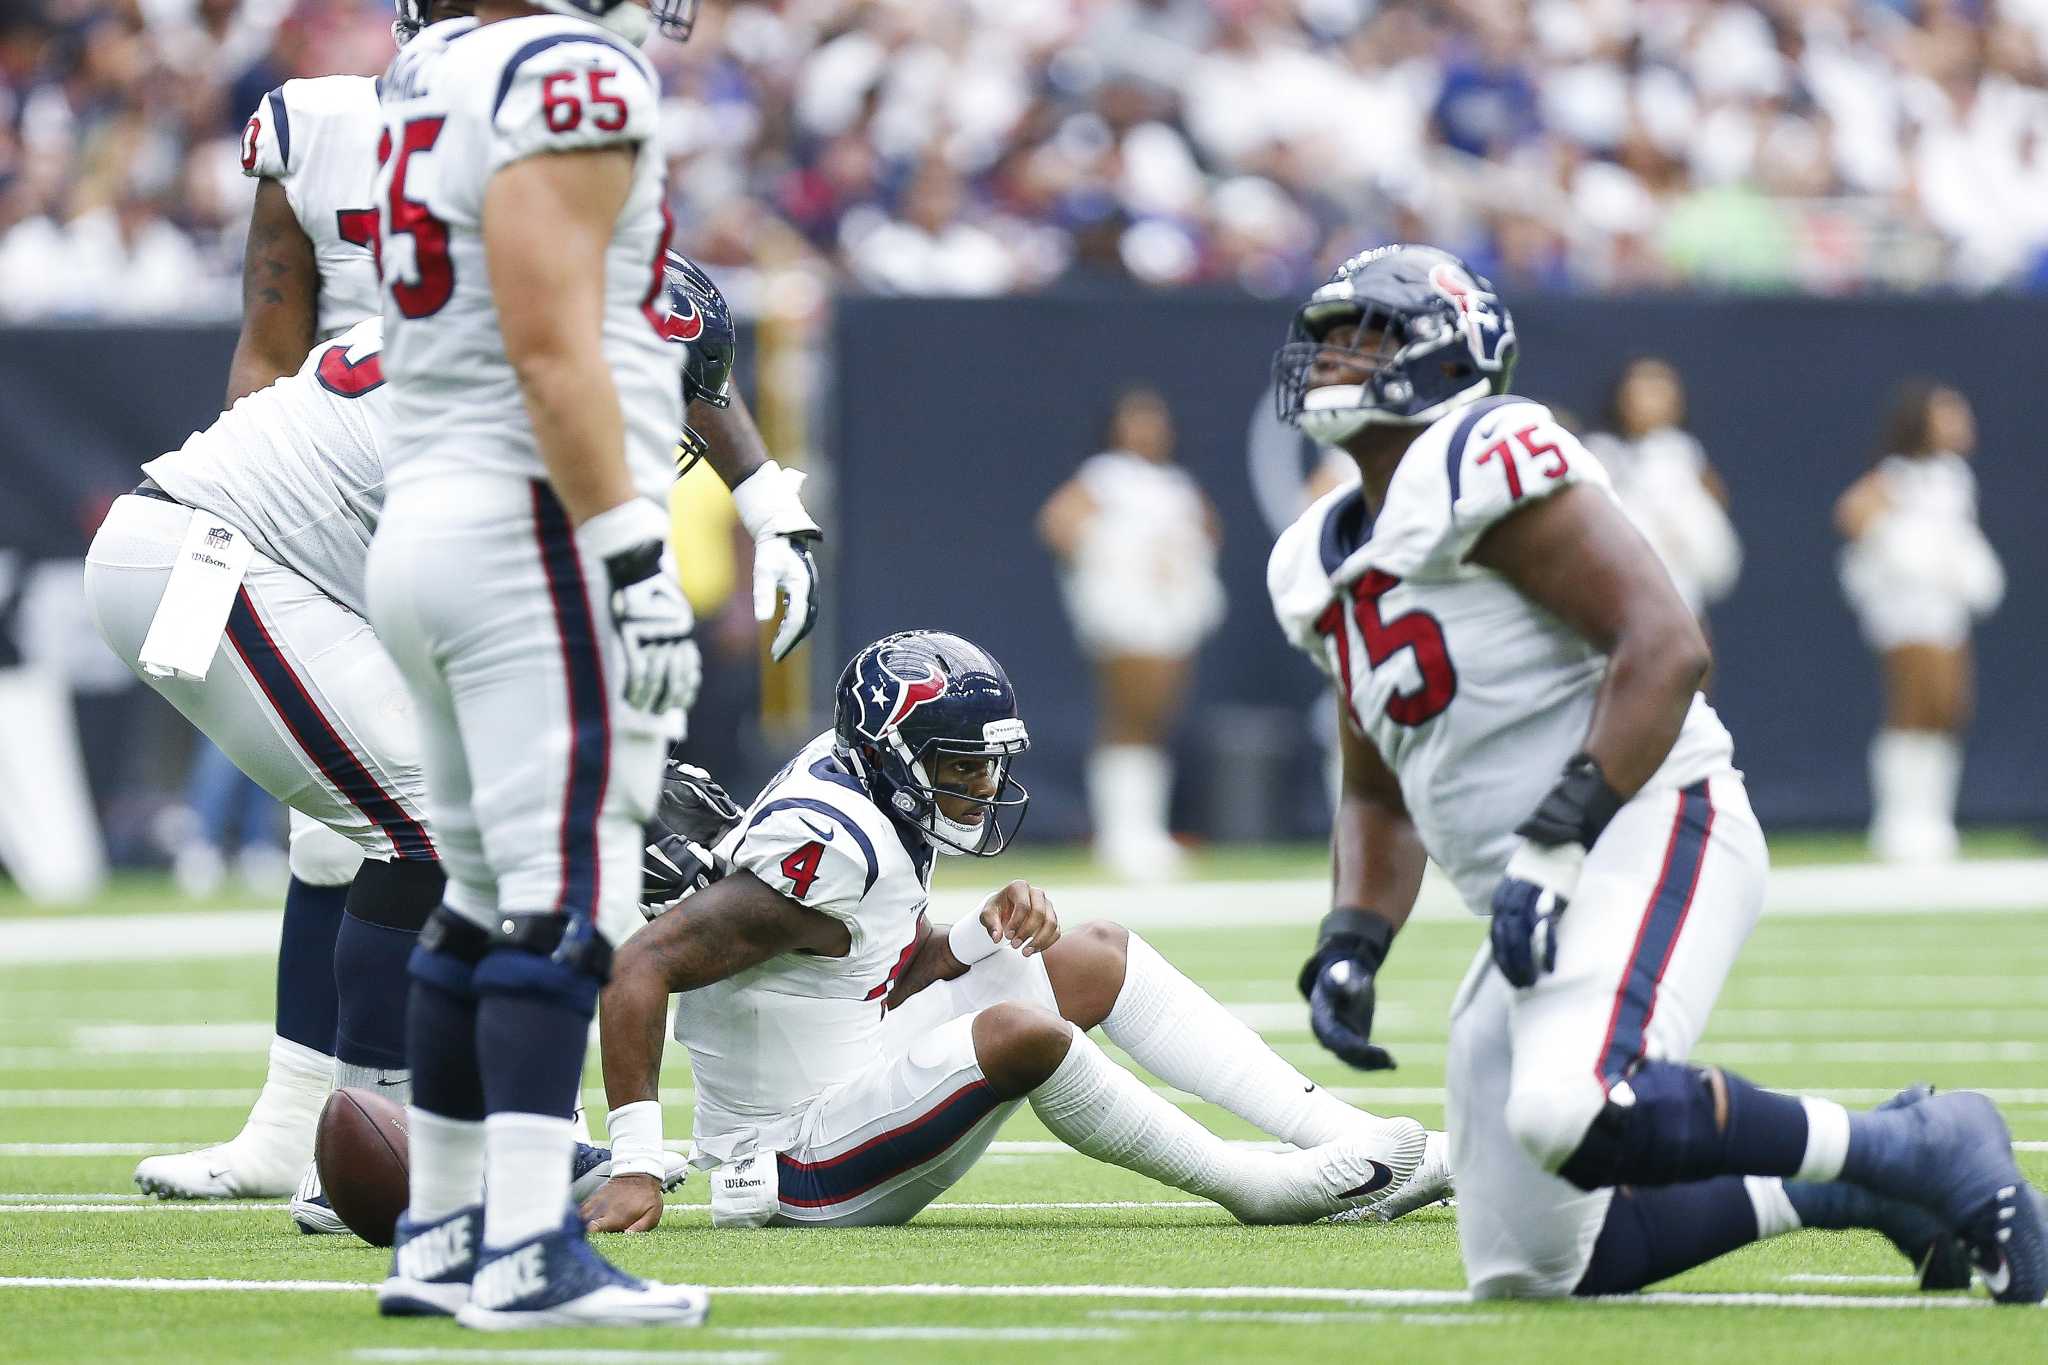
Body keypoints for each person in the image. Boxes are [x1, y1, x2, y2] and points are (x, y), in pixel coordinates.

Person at [1266, 244, 2042, 1303]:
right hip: (1530, 887)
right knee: (1537, 1267)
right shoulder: (1309, 556)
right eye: (1323, 341)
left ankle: (1920, 1147)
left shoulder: (1481, 451)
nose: (1329, 361)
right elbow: (1372, 782)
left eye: (1362, 337)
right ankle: (1851, 1192)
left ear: (1446, 358)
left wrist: (1556, 837)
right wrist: (1353, 935)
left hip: (1642, 818)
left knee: (1573, 1106)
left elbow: (1664, 644)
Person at [84, 255, 767, 1227]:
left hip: (247, 563)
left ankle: (428, 1126)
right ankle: (375, 1137)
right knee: (431, 822)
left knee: (444, 820)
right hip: (206, 563)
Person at [578, 630, 1451, 1234]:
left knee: (1089, 952)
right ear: (890, 753)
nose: (982, 788)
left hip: (855, 1069)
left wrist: (972, 938)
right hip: (794, 1154)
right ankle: (1252, 1186)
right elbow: (638, 966)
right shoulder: (830, 842)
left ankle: (1341, 1133)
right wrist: (638, 1163)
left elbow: (875, 960)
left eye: (988, 765)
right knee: (1021, 1035)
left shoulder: (863, 789)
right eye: (961, 768)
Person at [364, 0, 724, 1328]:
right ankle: (527, 1248)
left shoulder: (432, 65)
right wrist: (632, 550)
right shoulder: (567, 69)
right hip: (533, 528)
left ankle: (443, 1231)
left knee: (472, 893)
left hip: (429, 514)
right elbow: (547, 337)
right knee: (565, 892)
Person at [105, 0, 477, 1229]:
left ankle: (443, 1124)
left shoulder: (559, 134)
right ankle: (316, 1129)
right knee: (383, 820)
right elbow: (273, 329)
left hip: (444, 463)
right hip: (332, 463)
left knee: (420, 816)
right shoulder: (315, 121)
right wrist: (263, 498)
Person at [1037, 387, 1224, 881]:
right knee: (1128, 717)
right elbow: (1059, 523)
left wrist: (1176, 556)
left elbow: (1208, 531)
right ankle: (1121, 835)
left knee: (1158, 719)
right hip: (1127, 614)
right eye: (1137, 420)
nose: (1148, 430)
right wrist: (1123, 557)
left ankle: (1145, 831)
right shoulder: (1105, 477)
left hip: (1173, 613)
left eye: (1155, 420)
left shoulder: (1176, 484)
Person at [1835, 381, 2003, 864]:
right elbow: (1852, 513)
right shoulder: (1896, 476)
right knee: (1911, 707)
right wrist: (1903, 552)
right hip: (1906, 611)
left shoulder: (1954, 478)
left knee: (1947, 709)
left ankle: (1934, 820)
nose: (1959, 423)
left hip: (1946, 608)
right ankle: (1898, 823)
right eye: (1948, 414)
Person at [1584, 357, 1741, 626]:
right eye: (1642, 385)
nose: (1651, 397)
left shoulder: (1688, 459)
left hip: (1680, 611)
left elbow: (1715, 558)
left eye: (1660, 386)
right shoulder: (1595, 455)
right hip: (1610, 611)